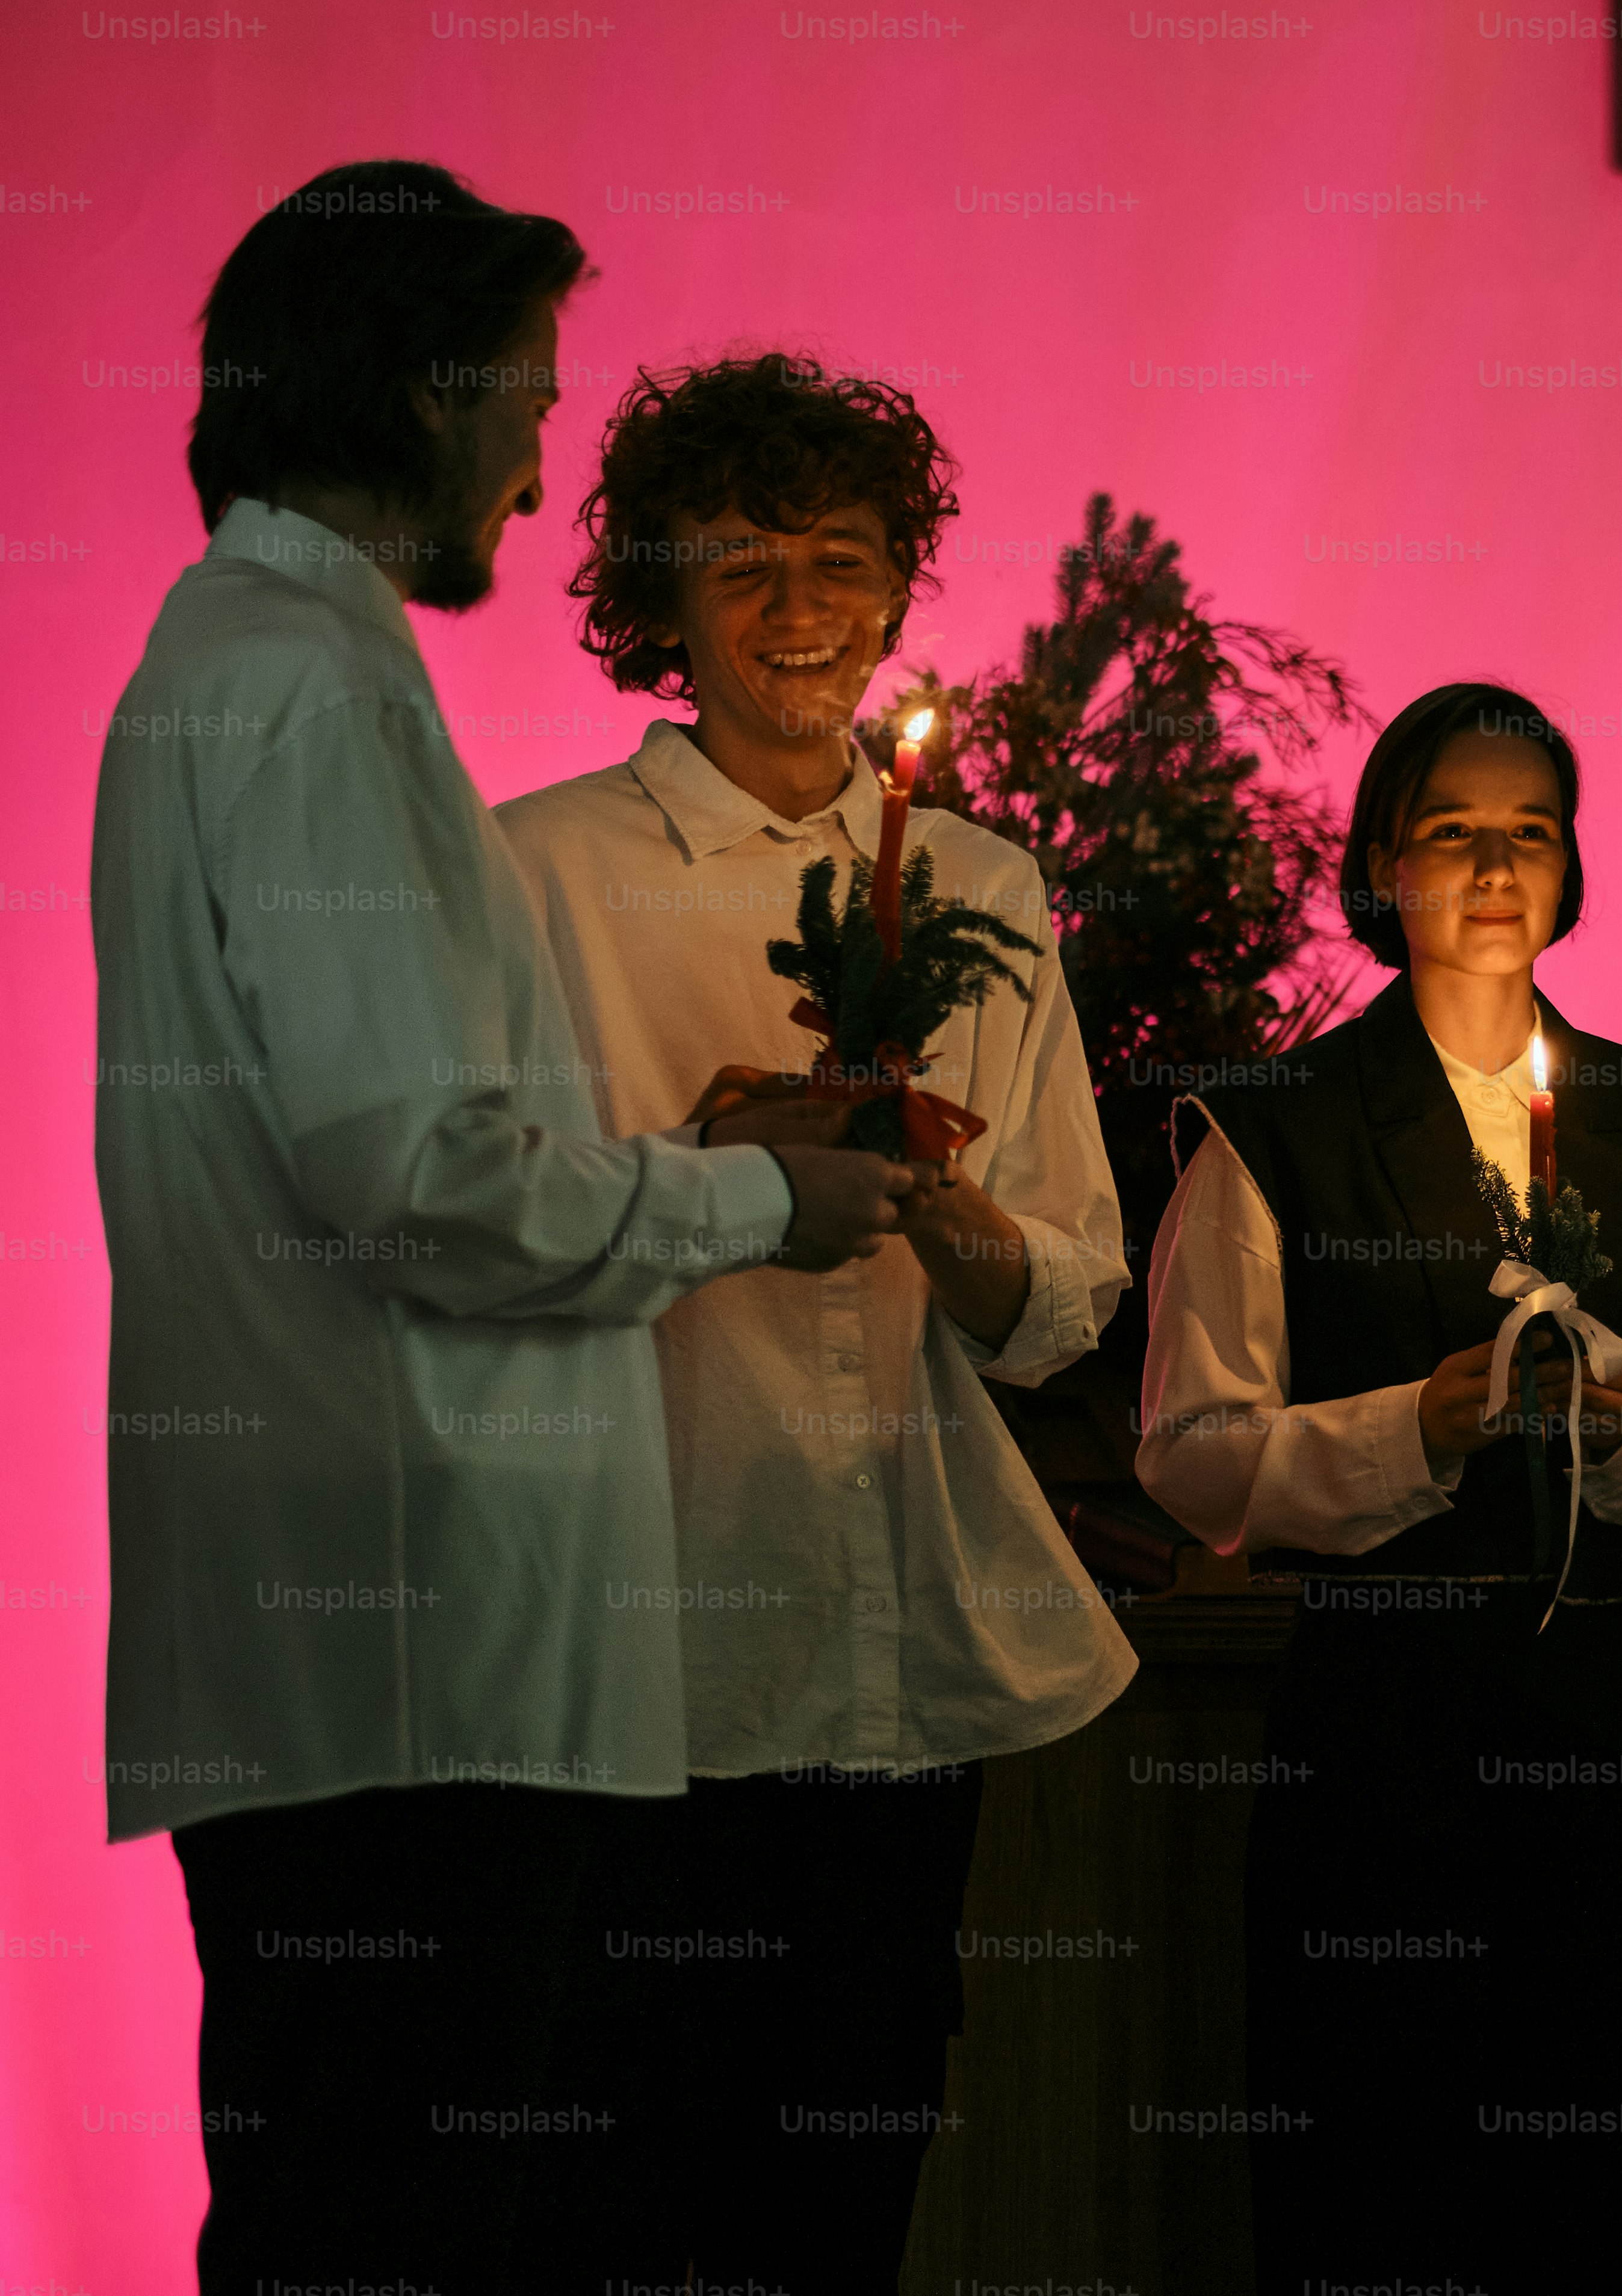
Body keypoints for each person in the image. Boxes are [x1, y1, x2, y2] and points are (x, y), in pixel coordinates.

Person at [91, 162, 905, 2294]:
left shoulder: (228, 656)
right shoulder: (317, 685)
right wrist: (765, 1196)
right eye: (530, 403)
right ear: (418, 388)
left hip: (343, 1645)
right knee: (402, 2233)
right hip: (415, 1651)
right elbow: (417, 1178)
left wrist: (676, 1161)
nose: (542, 474)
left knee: (338, 2219)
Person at [495, 350, 1136, 2289]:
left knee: (843, 2214)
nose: (799, 608)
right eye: (745, 563)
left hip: (887, 1685)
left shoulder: (984, 887)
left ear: (896, 589)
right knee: (619, 2210)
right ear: (663, 600)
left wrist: (945, 1214)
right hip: (629, 1678)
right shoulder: (541, 873)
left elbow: (1064, 1300)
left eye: (841, 561)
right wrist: (718, 1178)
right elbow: (479, 1256)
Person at [1134, 682, 1622, 2294]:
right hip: (1381, 1729)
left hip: (1610, 1728)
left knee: (1608, 2175)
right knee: (1378, 2167)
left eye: (1531, 833)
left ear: (1571, 868)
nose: (1495, 869)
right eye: (1451, 831)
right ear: (1383, 863)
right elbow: (1193, 1451)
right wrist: (1411, 1431)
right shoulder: (1276, 1131)